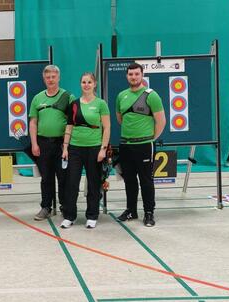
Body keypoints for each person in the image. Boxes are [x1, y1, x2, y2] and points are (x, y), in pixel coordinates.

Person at [115, 63, 166, 227]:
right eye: (130, 74)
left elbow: (161, 121)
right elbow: (120, 119)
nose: (133, 77)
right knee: (129, 180)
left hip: (144, 145)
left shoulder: (152, 95)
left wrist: (150, 138)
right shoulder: (121, 96)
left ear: (142, 75)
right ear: (126, 76)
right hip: (126, 145)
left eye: (137, 74)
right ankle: (131, 210)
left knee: (146, 180)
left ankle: (149, 213)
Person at [60, 72, 110, 229]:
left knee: (94, 183)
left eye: (89, 82)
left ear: (94, 84)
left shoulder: (101, 104)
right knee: (71, 183)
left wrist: (103, 149)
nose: (86, 84)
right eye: (83, 82)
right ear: (80, 84)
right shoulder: (74, 104)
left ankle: (92, 215)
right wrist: (66, 147)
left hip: (94, 148)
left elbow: (107, 127)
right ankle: (69, 216)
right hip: (75, 148)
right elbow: (69, 126)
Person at [28, 65, 75, 221]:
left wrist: (67, 145)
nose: (51, 80)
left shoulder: (68, 97)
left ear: (59, 78)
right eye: (48, 77)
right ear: (44, 79)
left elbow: (72, 122)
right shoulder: (37, 98)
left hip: (62, 144)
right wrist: (34, 144)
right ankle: (46, 207)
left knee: (63, 177)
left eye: (53, 77)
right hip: (43, 144)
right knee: (46, 178)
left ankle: (64, 206)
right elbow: (33, 122)